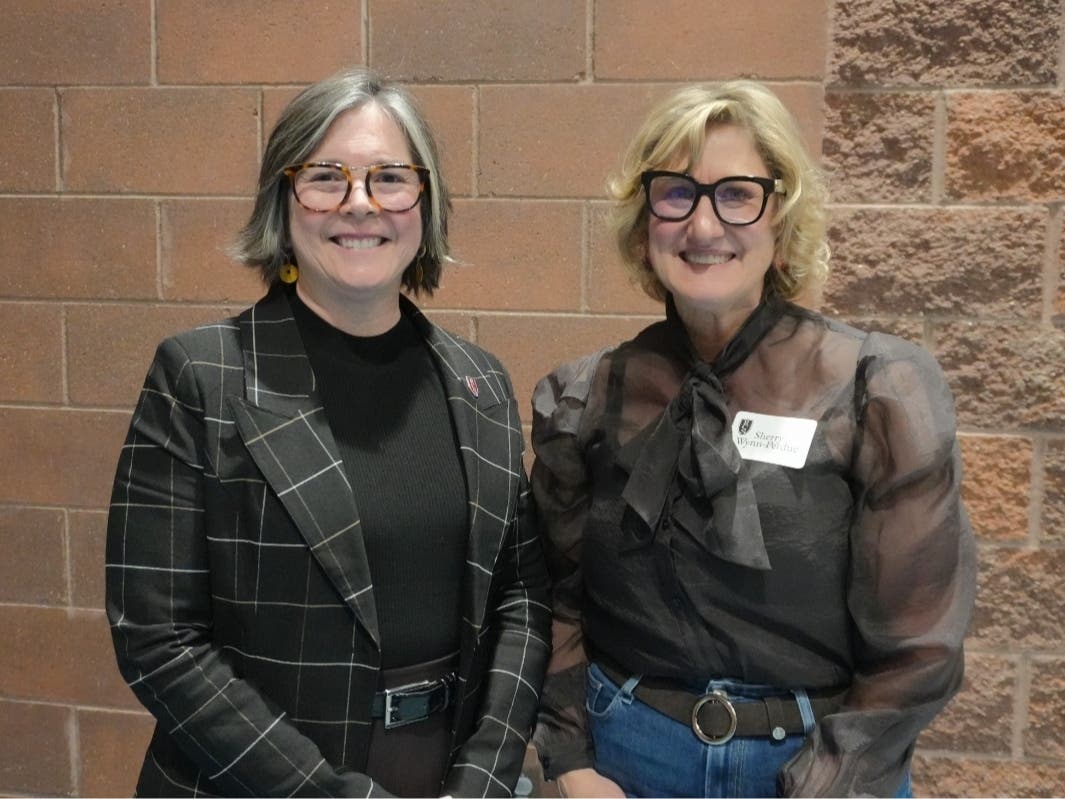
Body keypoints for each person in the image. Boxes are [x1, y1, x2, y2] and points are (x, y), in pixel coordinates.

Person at [105, 67, 550, 798]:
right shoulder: (202, 376)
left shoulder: (479, 383)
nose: (360, 203)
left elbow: (521, 600)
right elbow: (159, 639)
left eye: (390, 178)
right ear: (282, 204)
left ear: (425, 202)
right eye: (325, 178)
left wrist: (484, 777)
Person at [530, 80, 976, 798]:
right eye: (677, 193)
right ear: (645, 222)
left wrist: (828, 783)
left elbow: (919, 644)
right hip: (626, 764)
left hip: (824, 768)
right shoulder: (586, 397)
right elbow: (556, 601)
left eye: (737, 194)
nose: (704, 225)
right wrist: (572, 762)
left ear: (781, 218)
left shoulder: (875, 388)